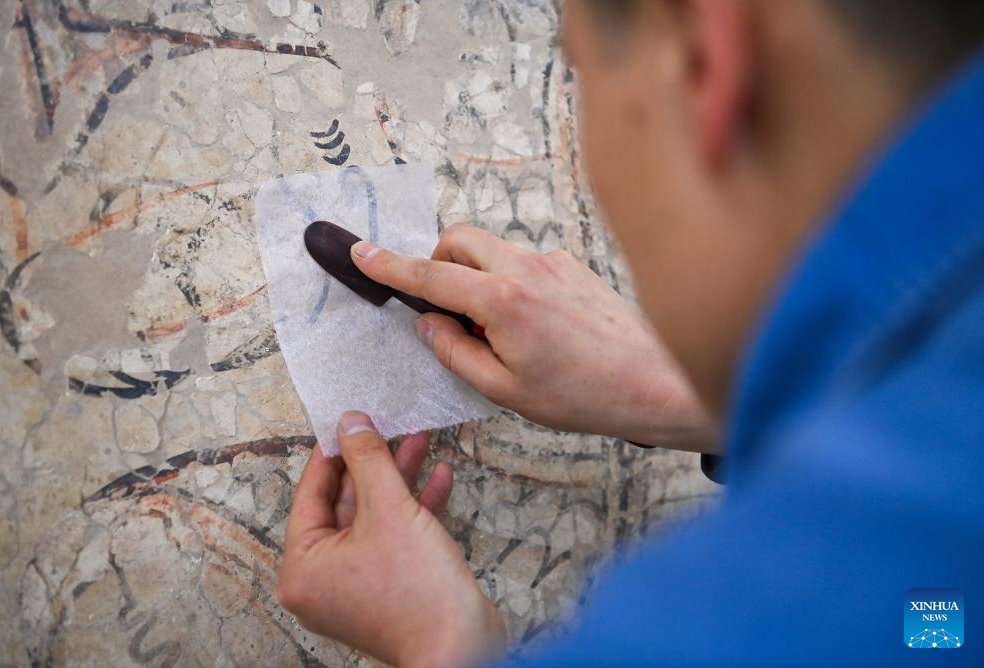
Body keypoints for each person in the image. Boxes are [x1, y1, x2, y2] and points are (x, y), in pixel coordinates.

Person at [276, 0, 984, 665]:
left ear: (703, 63)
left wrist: (441, 642)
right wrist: (684, 399)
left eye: (582, 75)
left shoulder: (722, 621)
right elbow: (938, 629)